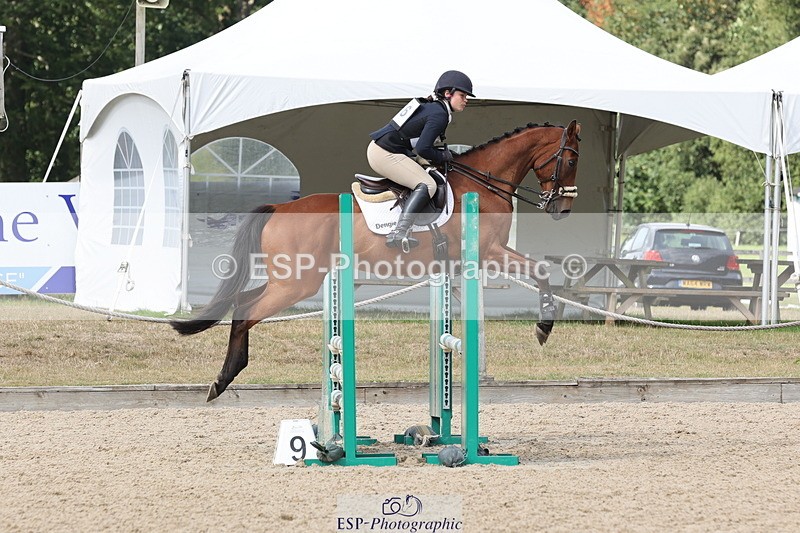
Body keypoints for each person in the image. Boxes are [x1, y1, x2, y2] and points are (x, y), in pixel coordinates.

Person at [367, 70, 474, 249]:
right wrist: (443, 156)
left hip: (391, 149)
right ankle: (399, 232)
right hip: (384, 153)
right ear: (448, 94)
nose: (466, 100)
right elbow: (423, 148)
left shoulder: (435, 107)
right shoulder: (439, 114)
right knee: (428, 185)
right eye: (462, 95)